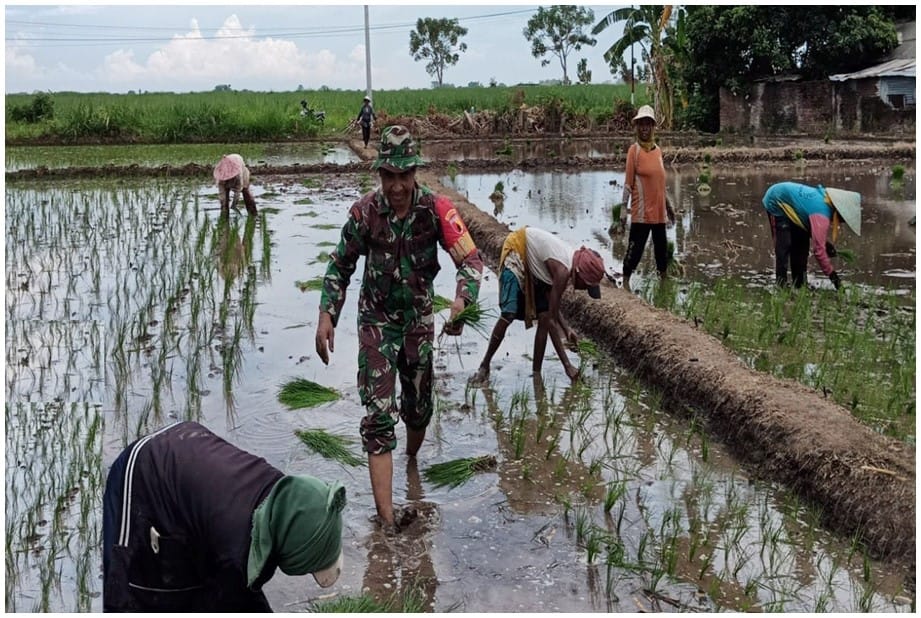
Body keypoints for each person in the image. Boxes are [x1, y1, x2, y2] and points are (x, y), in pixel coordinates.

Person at [314, 125, 483, 532]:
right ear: (380, 175)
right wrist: (327, 314)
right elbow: (340, 264)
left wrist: (462, 301)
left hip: (418, 324)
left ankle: (409, 461)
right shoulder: (364, 212)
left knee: (418, 410)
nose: (396, 187)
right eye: (388, 176)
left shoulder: (438, 210)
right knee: (378, 418)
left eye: (403, 176)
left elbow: (472, 261)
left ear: (414, 173)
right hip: (376, 321)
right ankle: (388, 522)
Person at [102, 421, 346, 612]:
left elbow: (242, 595)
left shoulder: (284, 501)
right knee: (136, 592)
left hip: (190, 456)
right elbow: (235, 597)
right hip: (144, 470)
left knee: (196, 582)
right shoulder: (237, 547)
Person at [472, 226, 605, 384]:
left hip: (535, 263)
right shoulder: (562, 271)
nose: (584, 289)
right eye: (586, 285)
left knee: (543, 316)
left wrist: (567, 329)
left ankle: (536, 374)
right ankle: (484, 365)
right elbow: (552, 321)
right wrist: (567, 366)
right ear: (579, 273)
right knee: (509, 313)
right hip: (518, 249)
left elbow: (551, 312)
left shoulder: (565, 267)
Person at [615, 105, 675, 291]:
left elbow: (659, 182)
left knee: (661, 251)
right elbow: (628, 183)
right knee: (635, 249)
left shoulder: (657, 151)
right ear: (637, 127)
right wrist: (624, 210)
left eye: (648, 124)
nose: (644, 128)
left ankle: (664, 283)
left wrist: (669, 206)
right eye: (641, 124)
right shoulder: (634, 151)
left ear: (653, 127)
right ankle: (625, 280)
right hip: (641, 212)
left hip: (658, 212)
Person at [761, 181, 861, 289]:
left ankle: (799, 285)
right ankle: (781, 286)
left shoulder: (825, 199)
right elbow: (819, 251)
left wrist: (826, 245)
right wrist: (835, 279)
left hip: (797, 212)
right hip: (776, 200)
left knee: (801, 246)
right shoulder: (821, 214)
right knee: (784, 245)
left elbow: (809, 226)